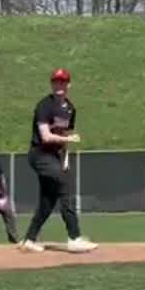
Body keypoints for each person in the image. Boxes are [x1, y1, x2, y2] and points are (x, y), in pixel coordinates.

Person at [19, 68, 97, 254]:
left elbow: (62, 134)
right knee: (64, 185)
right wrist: (68, 140)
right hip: (40, 155)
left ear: (69, 85)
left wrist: (65, 158)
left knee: (48, 200)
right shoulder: (45, 106)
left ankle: (29, 239)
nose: (59, 85)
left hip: (54, 157)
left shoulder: (70, 109)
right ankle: (74, 237)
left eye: (63, 82)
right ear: (51, 84)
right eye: (56, 81)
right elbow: (45, 136)